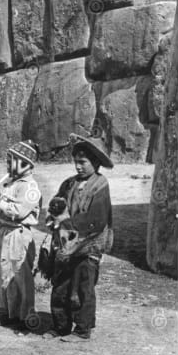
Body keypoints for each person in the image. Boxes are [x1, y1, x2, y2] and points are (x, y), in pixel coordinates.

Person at [44, 133, 114, 341]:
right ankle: (61, 325)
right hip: (65, 244)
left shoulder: (100, 185)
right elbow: (56, 205)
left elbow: (97, 220)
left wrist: (68, 224)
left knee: (83, 287)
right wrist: (54, 216)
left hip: (88, 245)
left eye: (83, 162)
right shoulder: (69, 184)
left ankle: (82, 329)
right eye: (76, 162)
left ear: (95, 163)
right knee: (61, 285)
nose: (78, 167)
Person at [0, 140, 42, 330]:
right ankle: (7, 312)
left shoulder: (30, 187)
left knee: (20, 275)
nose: (7, 166)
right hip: (3, 232)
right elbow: (4, 209)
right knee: (2, 273)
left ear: (25, 163)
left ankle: (25, 315)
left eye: (11, 161)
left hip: (19, 234)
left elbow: (20, 212)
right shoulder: (10, 182)